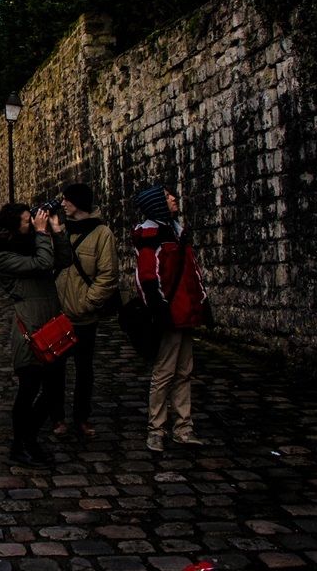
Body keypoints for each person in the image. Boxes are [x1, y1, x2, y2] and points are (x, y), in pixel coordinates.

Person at [0, 202, 71, 466]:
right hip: (30, 329)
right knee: (29, 389)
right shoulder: (5, 257)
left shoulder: (34, 243)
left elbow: (64, 260)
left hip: (51, 322)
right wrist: (43, 233)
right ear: (15, 225)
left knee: (54, 390)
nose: (31, 223)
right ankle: (19, 444)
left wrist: (56, 231)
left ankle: (30, 437)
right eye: (27, 221)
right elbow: (43, 262)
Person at [133, 184, 213, 452]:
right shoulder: (152, 236)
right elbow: (148, 278)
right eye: (167, 197)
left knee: (184, 371)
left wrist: (201, 300)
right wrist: (159, 310)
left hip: (185, 312)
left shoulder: (177, 233)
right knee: (165, 373)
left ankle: (183, 427)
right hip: (169, 314)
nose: (173, 198)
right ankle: (156, 429)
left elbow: (193, 270)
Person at [50, 183, 118, 439]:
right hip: (58, 315)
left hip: (84, 316)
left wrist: (88, 302)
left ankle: (82, 417)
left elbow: (108, 275)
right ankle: (57, 417)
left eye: (67, 199)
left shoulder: (102, 234)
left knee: (84, 371)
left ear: (78, 202)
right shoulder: (61, 229)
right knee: (55, 370)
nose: (63, 204)